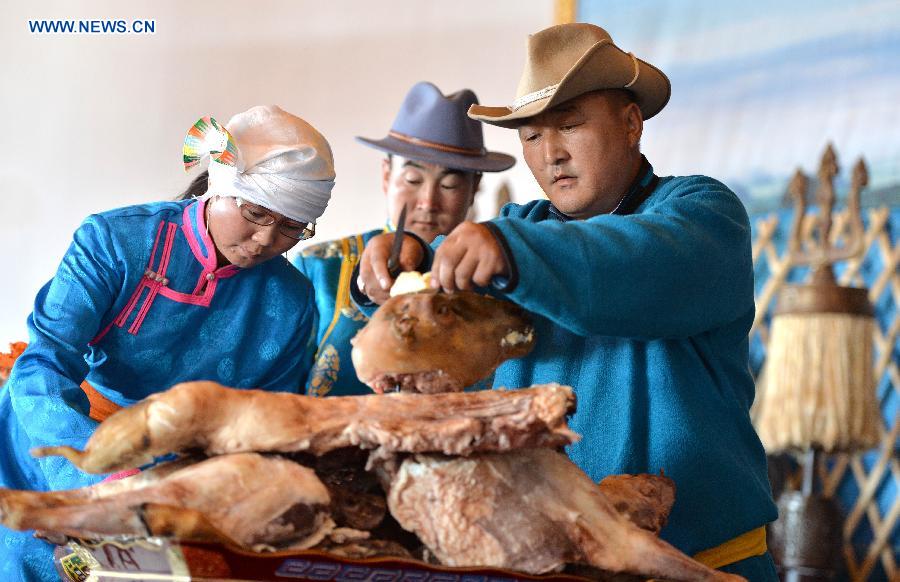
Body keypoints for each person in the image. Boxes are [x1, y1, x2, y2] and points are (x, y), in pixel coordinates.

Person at [353, 23, 779, 580]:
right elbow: (435, 296)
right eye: (530, 137)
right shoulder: (516, 231)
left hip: (701, 563)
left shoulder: (703, 214)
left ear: (631, 123)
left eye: (570, 125)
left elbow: (631, 265)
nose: (550, 154)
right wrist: (401, 262)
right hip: (552, 565)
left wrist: (512, 252)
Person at [0, 105, 335, 581]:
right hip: (57, 441)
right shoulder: (115, 241)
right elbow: (44, 366)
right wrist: (96, 478)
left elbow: (268, 419)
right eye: (256, 212)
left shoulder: (291, 298)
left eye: (290, 228)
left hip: (175, 475)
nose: (264, 240)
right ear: (217, 188)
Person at [292, 81, 515, 397]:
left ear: (474, 187)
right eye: (412, 179)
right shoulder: (320, 266)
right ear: (386, 175)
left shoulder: (495, 281)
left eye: (449, 185)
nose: (427, 201)